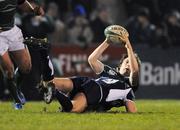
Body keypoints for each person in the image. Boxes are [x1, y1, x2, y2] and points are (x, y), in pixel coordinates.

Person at [52, 34, 141, 113]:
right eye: (127, 62)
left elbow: (134, 71)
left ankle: (52, 91)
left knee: (72, 108)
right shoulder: (109, 71)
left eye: (132, 63)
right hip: (90, 85)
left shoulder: (129, 85)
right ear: (120, 64)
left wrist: (128, 45)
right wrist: (107, 41)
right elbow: (92, 60)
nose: (129, 65)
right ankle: (49, 85)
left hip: (92, 94)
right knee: (52, 82)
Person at [0, 0, 44, 109]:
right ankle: (17, 101)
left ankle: (17, 88)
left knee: (26, 67)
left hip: (12, 30)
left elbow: (22, 3)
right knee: (9, 70)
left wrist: (33, 10)